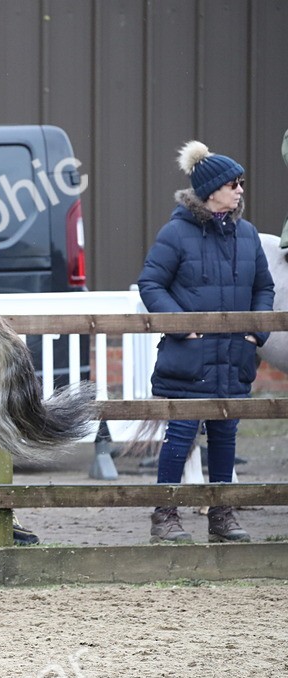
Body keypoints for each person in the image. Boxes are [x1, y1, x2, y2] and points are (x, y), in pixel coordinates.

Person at [138, 141, 274, 544]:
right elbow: (151, 283)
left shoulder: (247, 235)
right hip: (189, 360)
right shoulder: (176, 233)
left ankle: (223, 515)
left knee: (225, 436)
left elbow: (264, 288)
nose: (240, 190)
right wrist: (183, 326)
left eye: (241, 183)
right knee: (180, 436)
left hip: (235, 357)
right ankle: (165, 516)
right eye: (234, 183)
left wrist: (257, 332)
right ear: (213, 188)